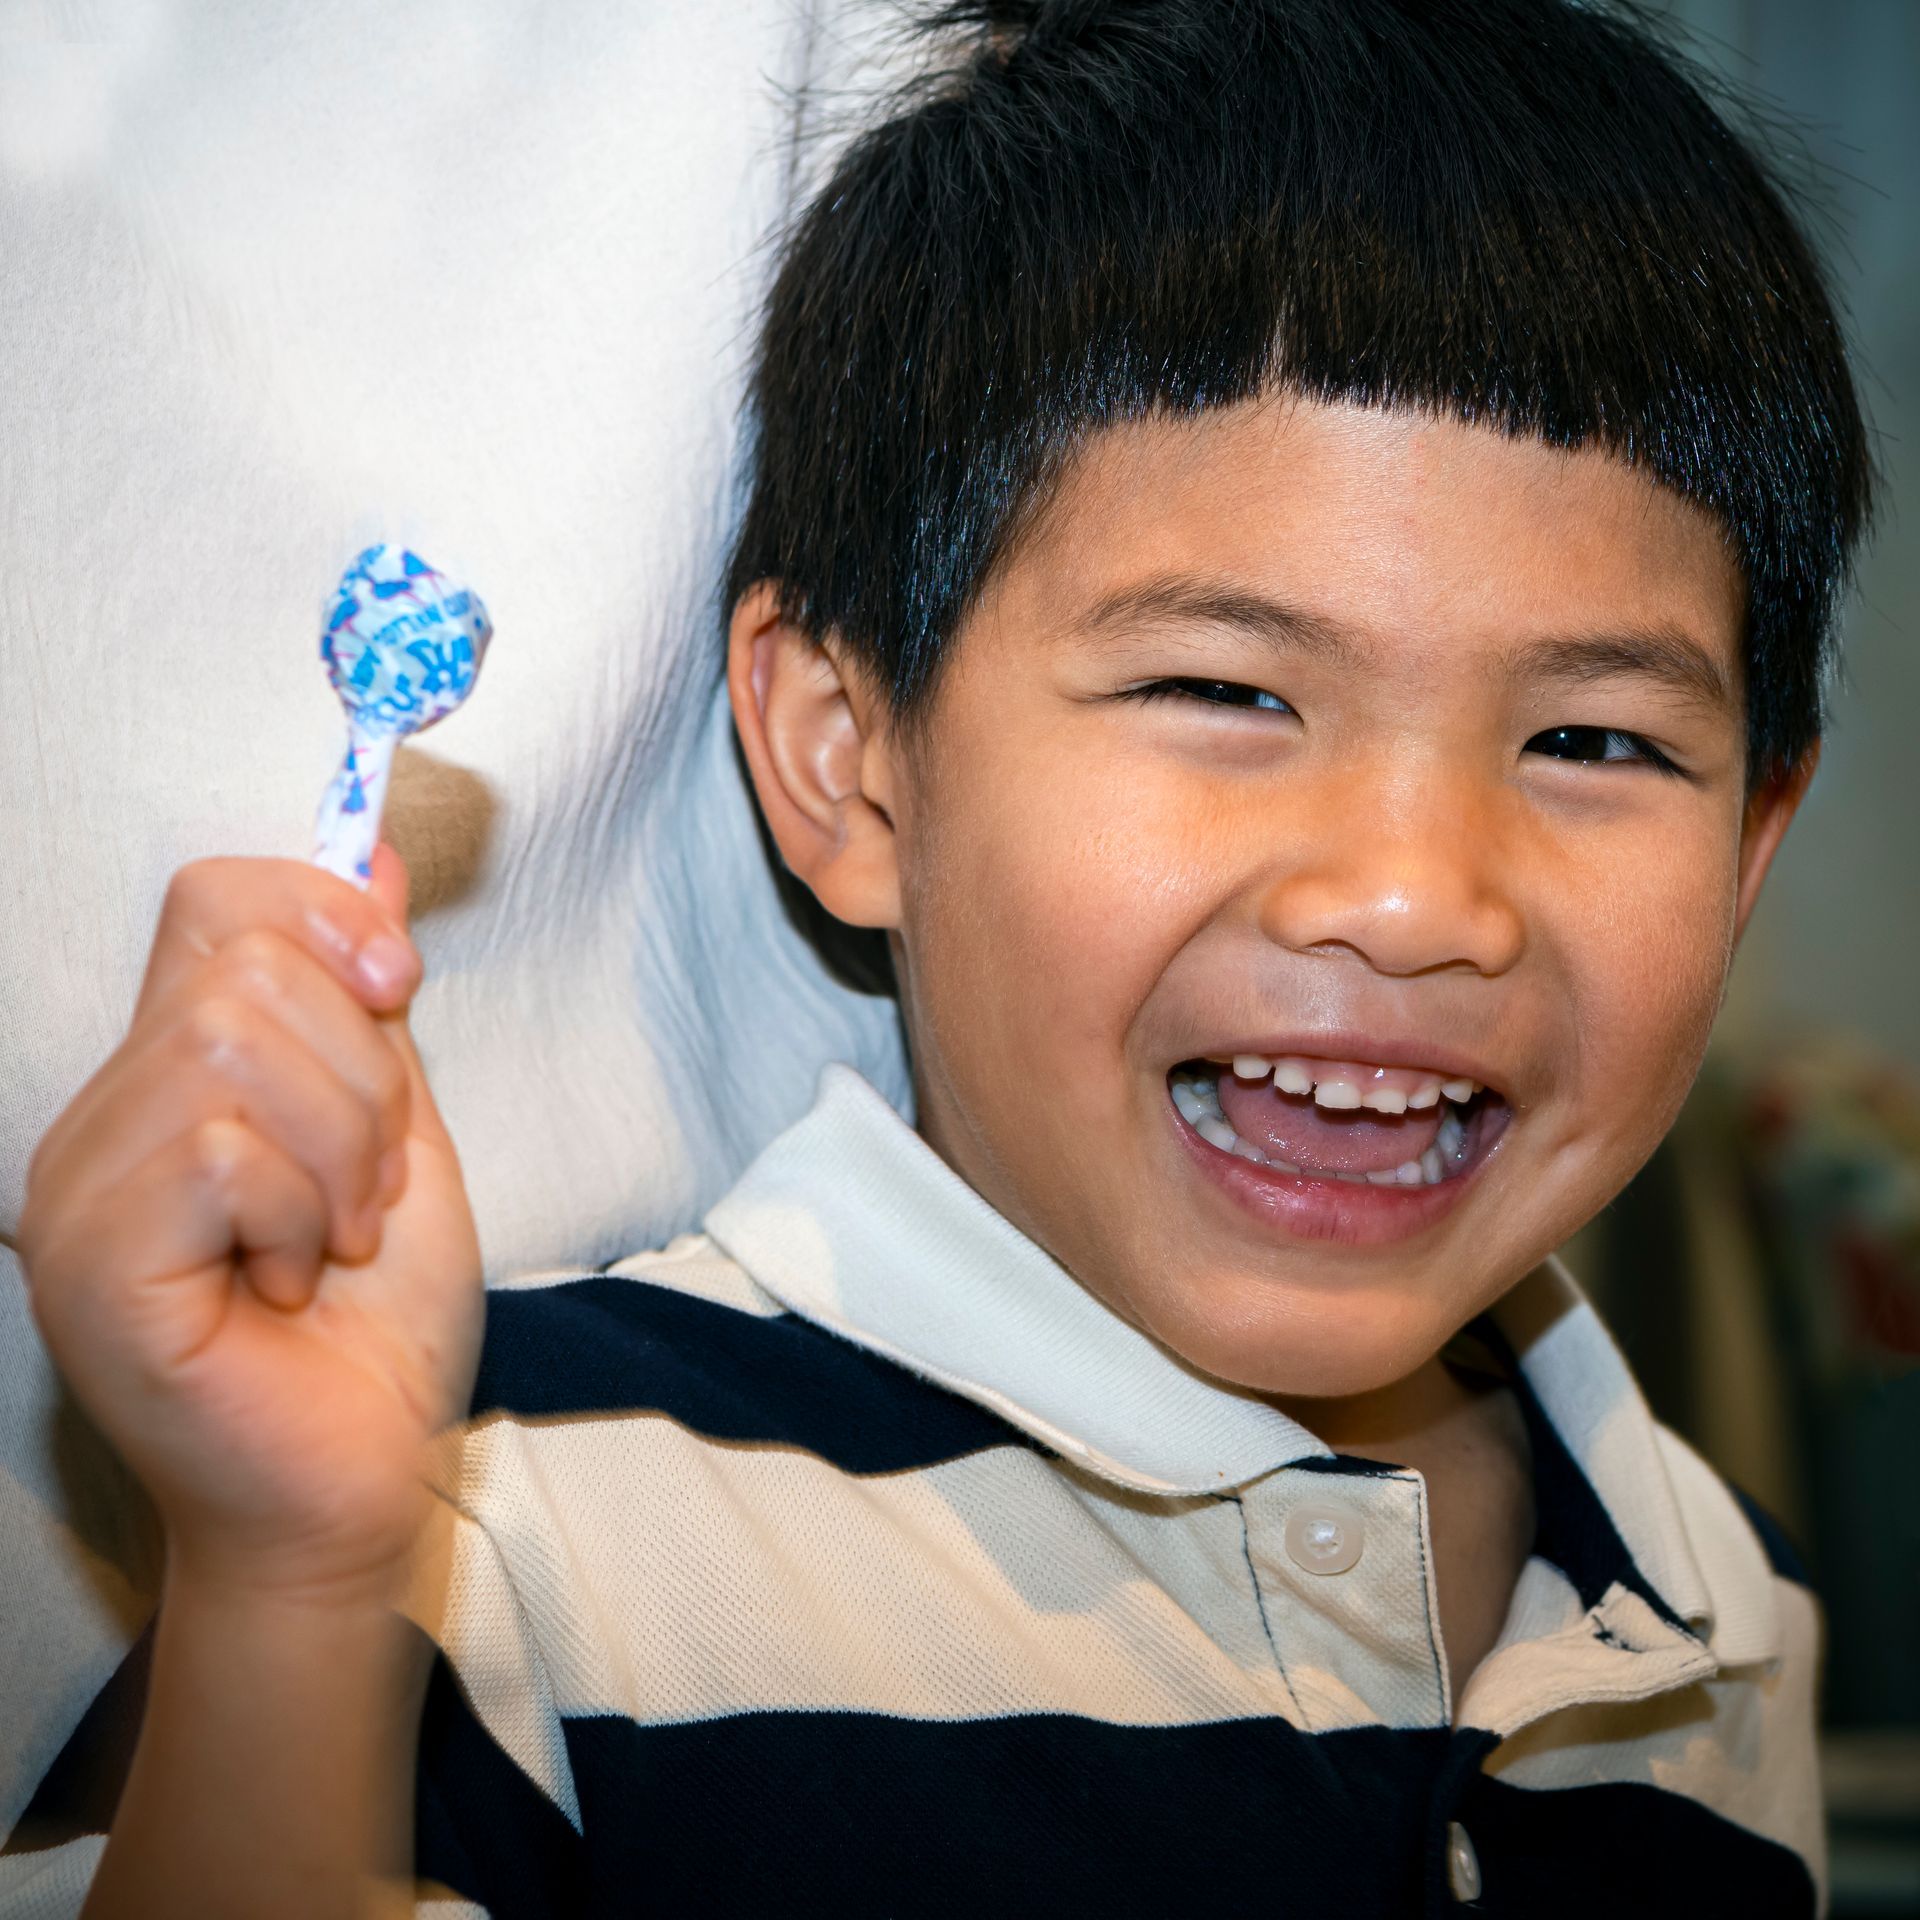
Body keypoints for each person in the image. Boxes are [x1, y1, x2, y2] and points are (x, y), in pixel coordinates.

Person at [5, 0, 1872, 1912]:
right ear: (849, 761)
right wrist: (292, 1600)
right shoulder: (487, 1534)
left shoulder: (1727, 1604)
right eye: (1222, 689)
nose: (1412, 898)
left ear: (1748, 848)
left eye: (1594, 742)